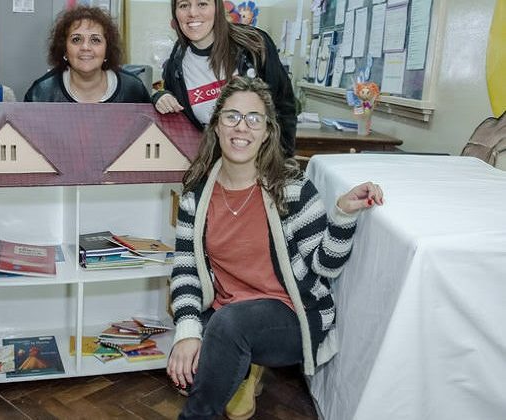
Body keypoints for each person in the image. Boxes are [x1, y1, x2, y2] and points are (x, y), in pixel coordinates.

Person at [167, 77, 383, 420]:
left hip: (292, 314)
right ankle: (241, 368)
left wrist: (342, 214)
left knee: (227, 330)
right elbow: (185, 270)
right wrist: (188, 333)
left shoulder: (292, 187)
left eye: (254, 119)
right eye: (232, 116)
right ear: (216, 125)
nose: (242, 127)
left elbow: (325, 267)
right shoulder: (196, 194)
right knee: (189, 362)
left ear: (267, 131)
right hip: (228, 309)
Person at [153, 0, 297, 157]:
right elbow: (175, 108)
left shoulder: (254, 44)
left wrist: (282, 162)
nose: (192, 13)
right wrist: (161, 96)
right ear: (175, 12)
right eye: (183, 5)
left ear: (217, 8)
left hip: (262, 165)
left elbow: (284, 107)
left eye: (202, 4)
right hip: (213, 167)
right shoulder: (177, 60)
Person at [24, 6, 151, 103]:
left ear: (107, 49)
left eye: (95, 40)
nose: (85, 47)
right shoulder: (40, 93)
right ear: (64, 49)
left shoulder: (133, 89)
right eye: (76, 39)